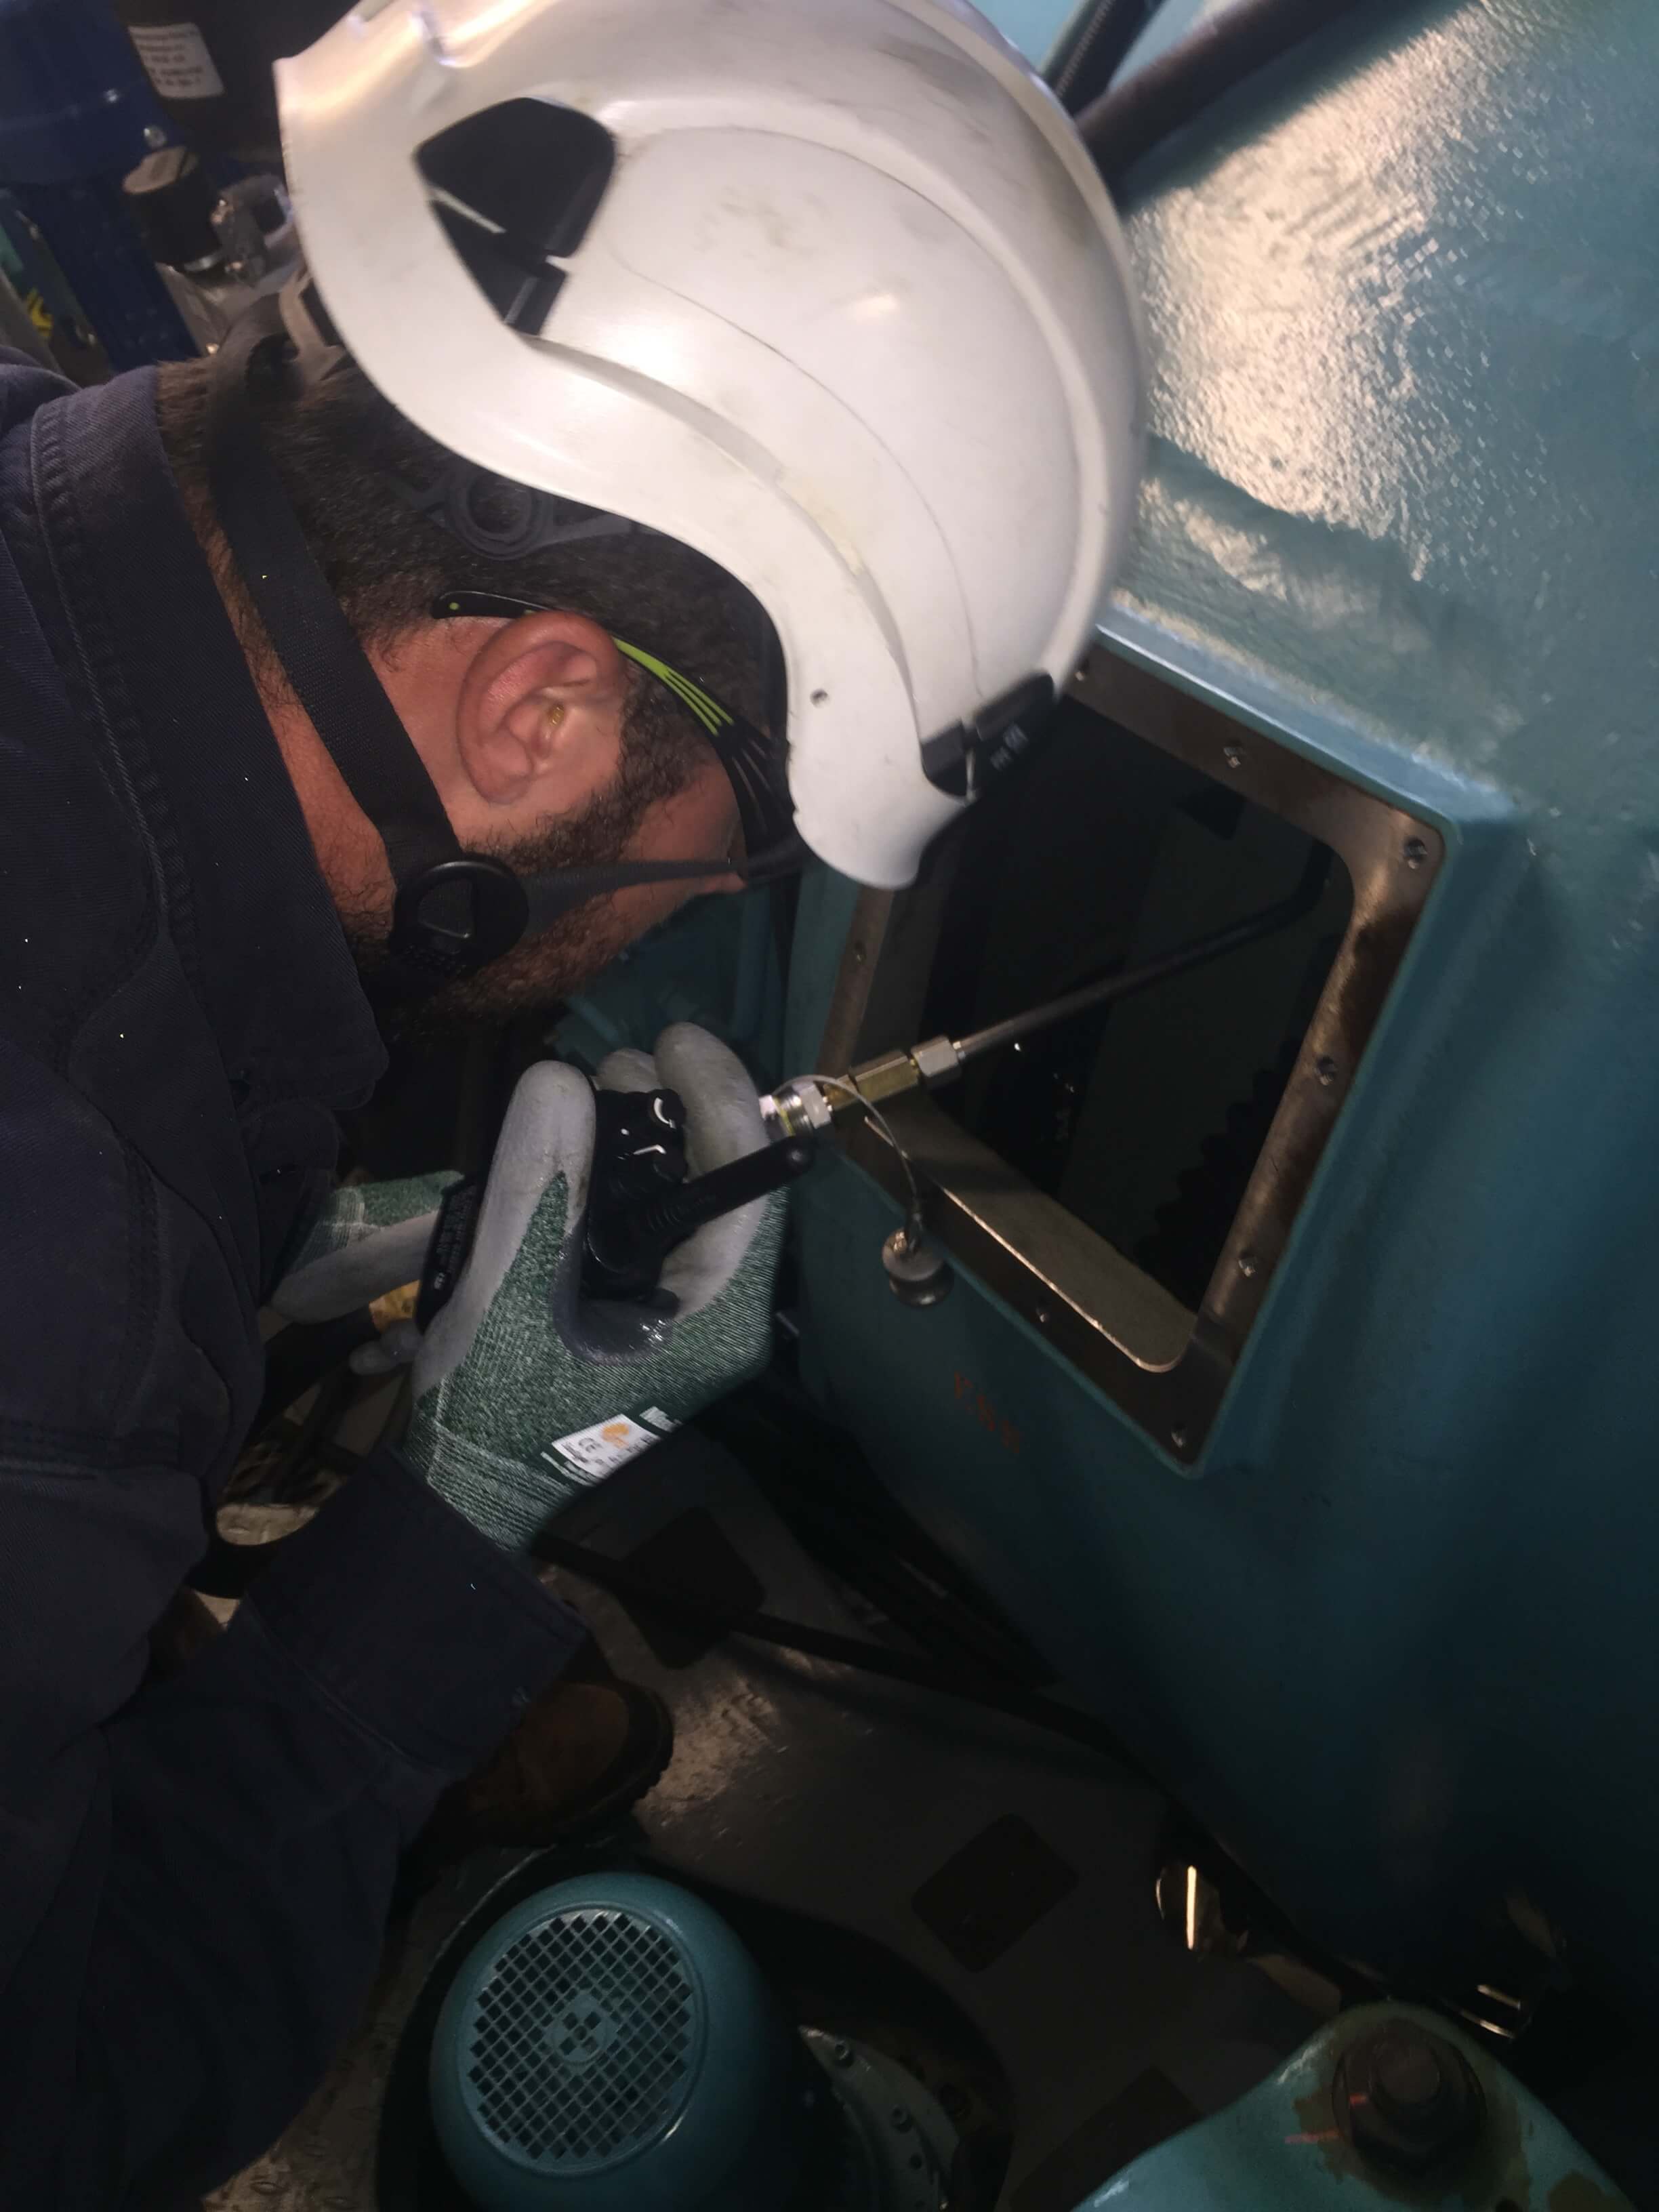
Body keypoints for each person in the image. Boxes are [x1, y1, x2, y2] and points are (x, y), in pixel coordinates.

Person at [0, 0, 1140, 2200]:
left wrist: (284, 1229)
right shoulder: (61, 1327)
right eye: (748, 832)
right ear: (537, 713)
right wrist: (467, 1496)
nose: (709, 894)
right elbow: (57, 2101)